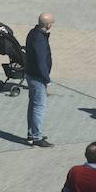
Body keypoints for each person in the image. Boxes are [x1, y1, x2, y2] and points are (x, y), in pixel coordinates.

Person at [25, 13, 55, 147]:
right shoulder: (40, 39)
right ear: (48, 25)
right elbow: (41, 61)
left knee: (33, 105)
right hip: (37, 77)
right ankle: (36, 137)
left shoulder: (33, 33)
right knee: (39, 107)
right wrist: (47, 80)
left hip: (31, 74)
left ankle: (32, 134)